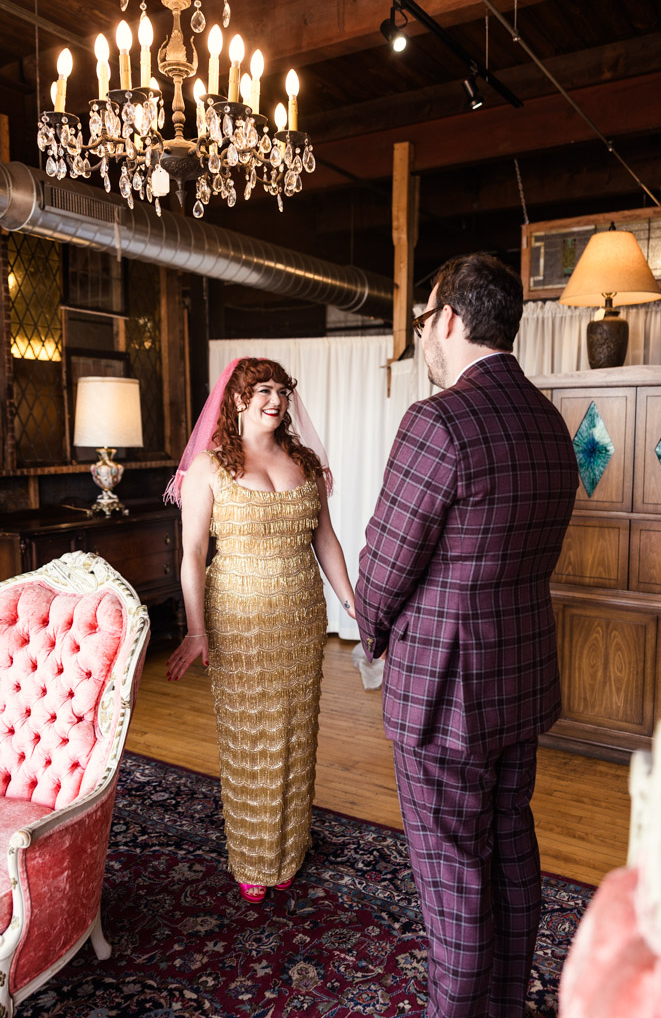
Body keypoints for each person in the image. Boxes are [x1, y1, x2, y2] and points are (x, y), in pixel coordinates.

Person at [355, 253, 579, 1018]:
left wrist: (369, 633)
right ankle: (506, 1005)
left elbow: (383, 567)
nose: (424, 338)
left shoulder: (438, 419)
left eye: (423, 321)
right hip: (519, 678)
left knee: (452, 871)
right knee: (509, 843)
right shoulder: (549, 421)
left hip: (443, 693)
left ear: (448, 319)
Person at [166, 357, 355, 904]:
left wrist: (352, 603)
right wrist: (196, 630)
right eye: (262, 390)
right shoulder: (209, 467)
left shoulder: (305, 462)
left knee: (296, 734)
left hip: (300, 620)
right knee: (251, 738)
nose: (275, 400)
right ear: (235, 399)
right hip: (240, 623)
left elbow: (326, 541)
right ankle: (252, 855)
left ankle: (289, 847)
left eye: (281, 390)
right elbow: (194, 553)